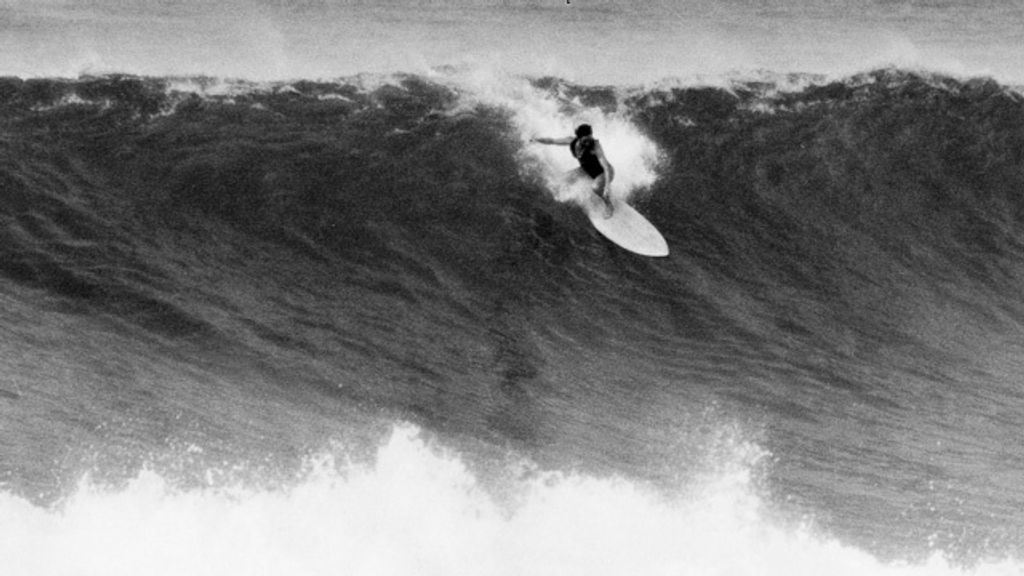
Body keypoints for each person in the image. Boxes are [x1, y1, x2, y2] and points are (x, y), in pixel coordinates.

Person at [531, 124, 615, 217]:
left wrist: (607, 186)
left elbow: (606, 167)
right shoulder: (572, 141)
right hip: (587, 171)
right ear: (579, 138)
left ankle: (609, 205)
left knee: (595, 187)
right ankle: (599, 191)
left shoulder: (595, 145)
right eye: (586, 139)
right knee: (562, 179)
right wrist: (537, 140)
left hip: (605, 172)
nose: (589, 141)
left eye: (590, 137)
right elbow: (552, 141)